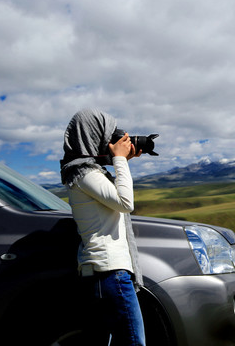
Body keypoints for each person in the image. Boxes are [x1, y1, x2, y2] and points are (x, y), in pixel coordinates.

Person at [60, 108, 145, 345]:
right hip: (109, 272)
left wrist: (122, 160)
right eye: (105, 134)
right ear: (91, 135)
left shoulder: (87, 172)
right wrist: (119, 160)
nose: (109, 141)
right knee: (134, 342)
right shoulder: (85, 173)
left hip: (103, 272)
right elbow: (125, 203)